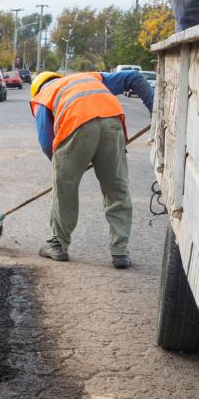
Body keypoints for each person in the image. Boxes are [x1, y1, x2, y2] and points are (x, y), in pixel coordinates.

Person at [28, 69, 153, 269]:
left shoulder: (44, 96)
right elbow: (134, 77)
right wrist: (156, 111)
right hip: (112, 123)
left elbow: (46, 141)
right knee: (116, 187)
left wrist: (64, 166)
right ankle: (120, 251)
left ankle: (58, 245)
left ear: (37, 89)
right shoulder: (90, 77)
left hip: (76, 124)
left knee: (64, 189)